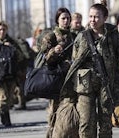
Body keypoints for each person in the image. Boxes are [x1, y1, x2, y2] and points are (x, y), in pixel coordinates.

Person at [52, 1, 119, 138]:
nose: (92, 20)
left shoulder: (114, 37)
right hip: (85, 86)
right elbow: (75, 63)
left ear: (104, 18)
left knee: (105, 124)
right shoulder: (82, 37)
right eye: (90, 17)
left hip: (106, 85)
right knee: (86, 123)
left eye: (96, 17)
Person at [38, 7, 76, 138]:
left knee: (72, 114)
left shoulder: (74, 36)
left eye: (68, 18)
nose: (66, 21)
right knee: (54, 115)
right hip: (56, 80)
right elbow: (44, 59)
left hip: (71, 79)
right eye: (63, 18)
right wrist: (54, 51)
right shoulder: (51, 36)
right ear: (57, 20)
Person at [0, 21, 24, 126]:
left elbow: (21, 57)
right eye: (0, 29)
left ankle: (3, 113)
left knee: (9, 100)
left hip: (10, 73)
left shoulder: (12, 42)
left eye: (4, 29)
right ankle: (6, 120)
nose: (2, 32)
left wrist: (12, 49)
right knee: (2, 98)